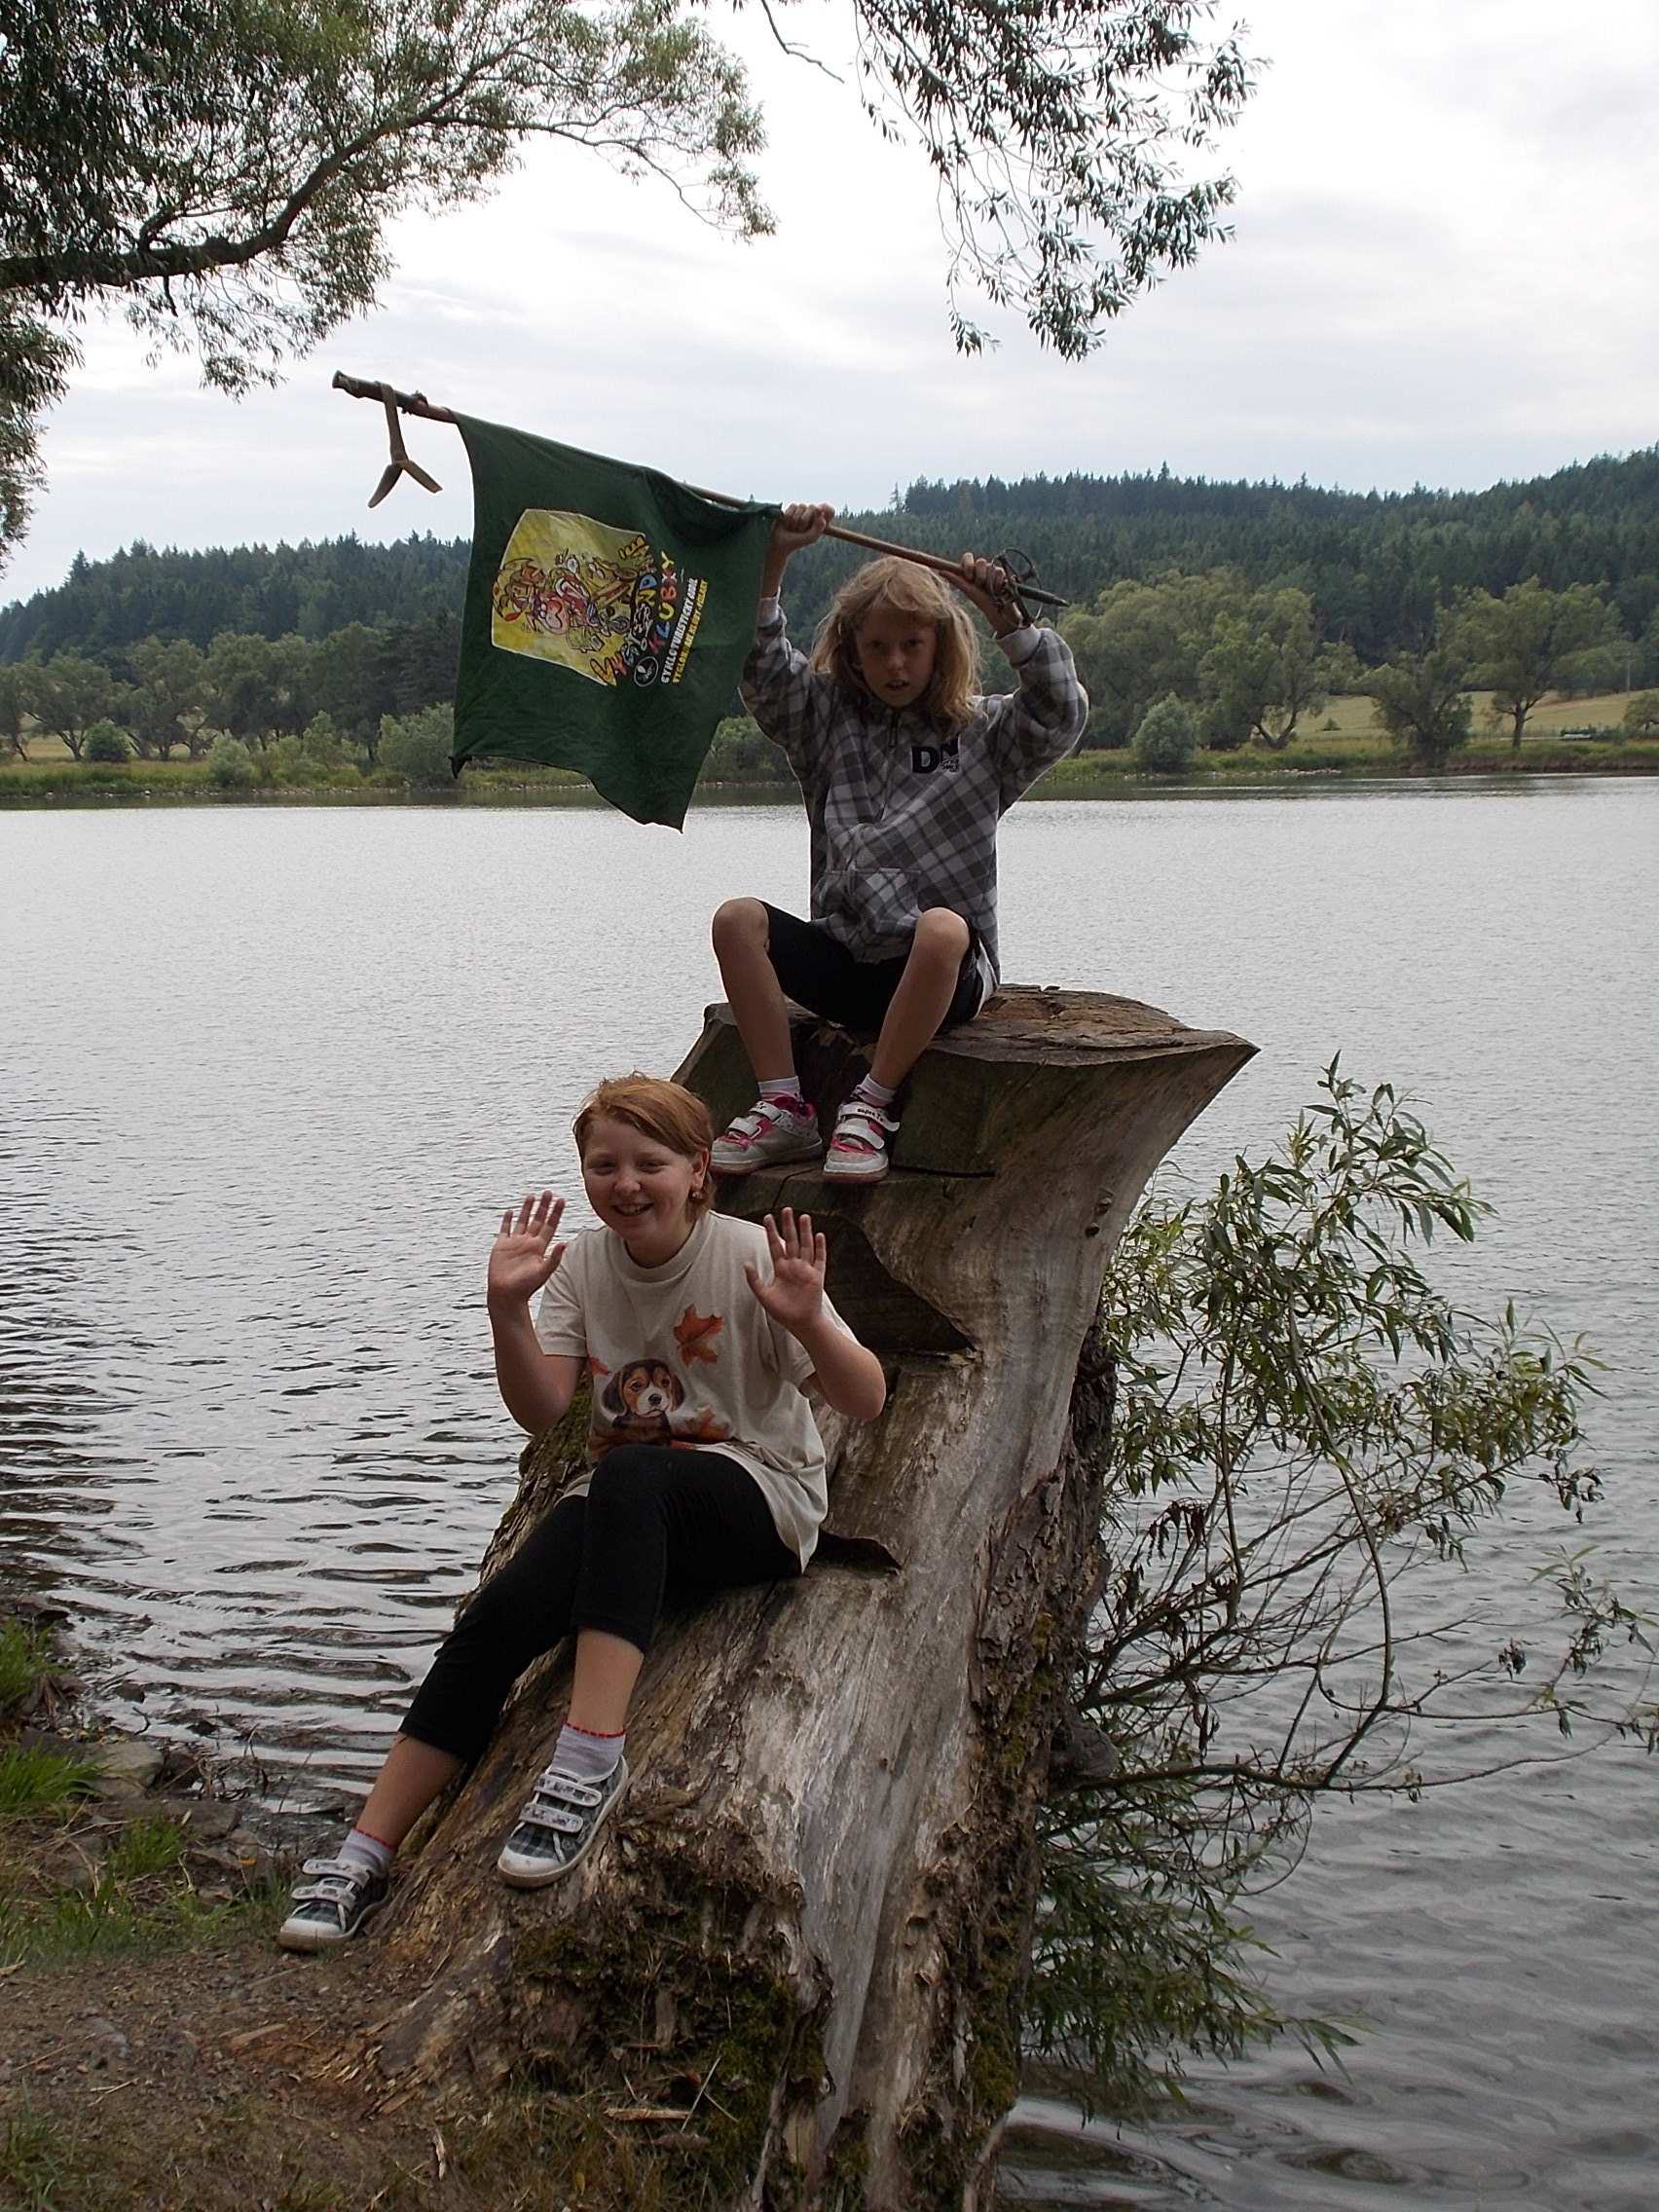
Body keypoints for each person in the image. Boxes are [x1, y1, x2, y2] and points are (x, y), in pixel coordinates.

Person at [277, 1074, 885, 1951]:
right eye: (605, 1166)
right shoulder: (585, 1268)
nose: (625, 1184)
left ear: (699, 1170)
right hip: (630, 1507)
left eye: (650, 1164)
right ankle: (363, 1857)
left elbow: (864, 1399)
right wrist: (507, 1309)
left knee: (632, 1477)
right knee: (499, 1617)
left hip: (761, 1497)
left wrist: (812, 1322)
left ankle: (588, 1762)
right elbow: (541, 1409)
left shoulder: (751, 1254)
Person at [710, 504, 1089, 1185]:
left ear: (942, 647)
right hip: (849, 962)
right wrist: (775, 561)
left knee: (942, 928)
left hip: (942, 978)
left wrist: (1007, 617)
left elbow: (1060, 710)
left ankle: (871, 1105)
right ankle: (784, 1106)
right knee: (737, 920)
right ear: (852, 649)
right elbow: (764, 671)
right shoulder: (825, 724)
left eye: (912, 645)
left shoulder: (982, 733)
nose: (895, 663)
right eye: (878, 646)